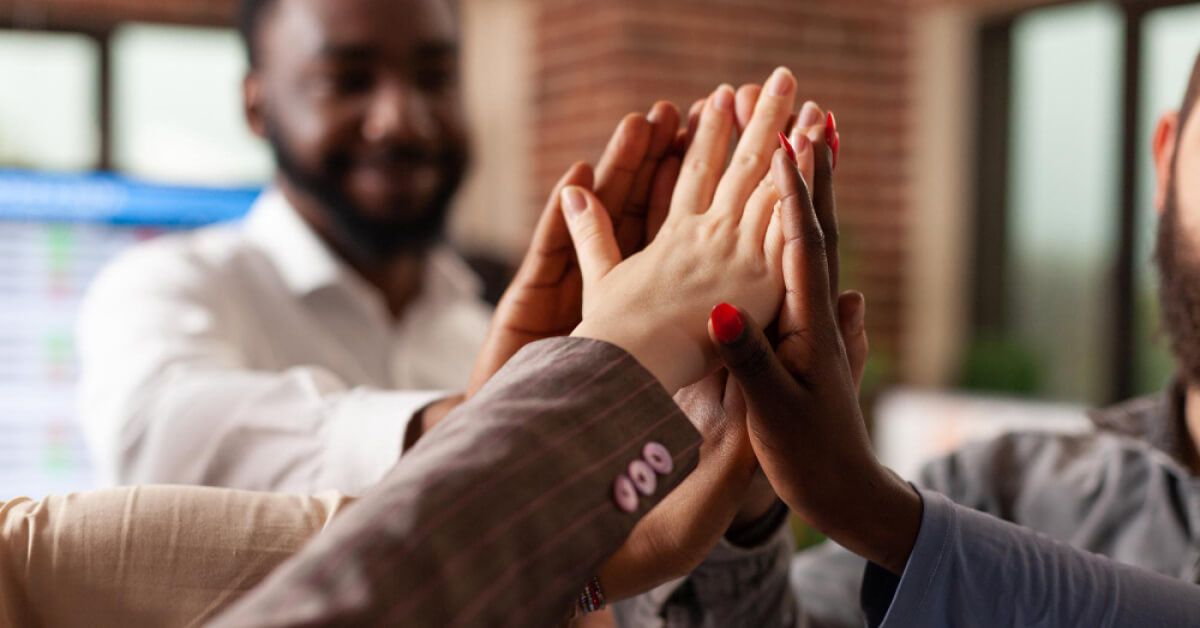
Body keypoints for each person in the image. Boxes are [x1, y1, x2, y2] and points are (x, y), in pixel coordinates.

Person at [618, 52, 1200, 628]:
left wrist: (883, 517)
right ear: (1166, 157)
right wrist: (738, 496)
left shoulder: (923, 511)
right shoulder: (996, 490)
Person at [74, 0, 667, 495]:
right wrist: (484, 428)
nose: (401, 120)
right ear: (257, 105)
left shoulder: (483, 333)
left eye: (435, 78)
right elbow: (161, 440)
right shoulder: (168, 285)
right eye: (348, 81)